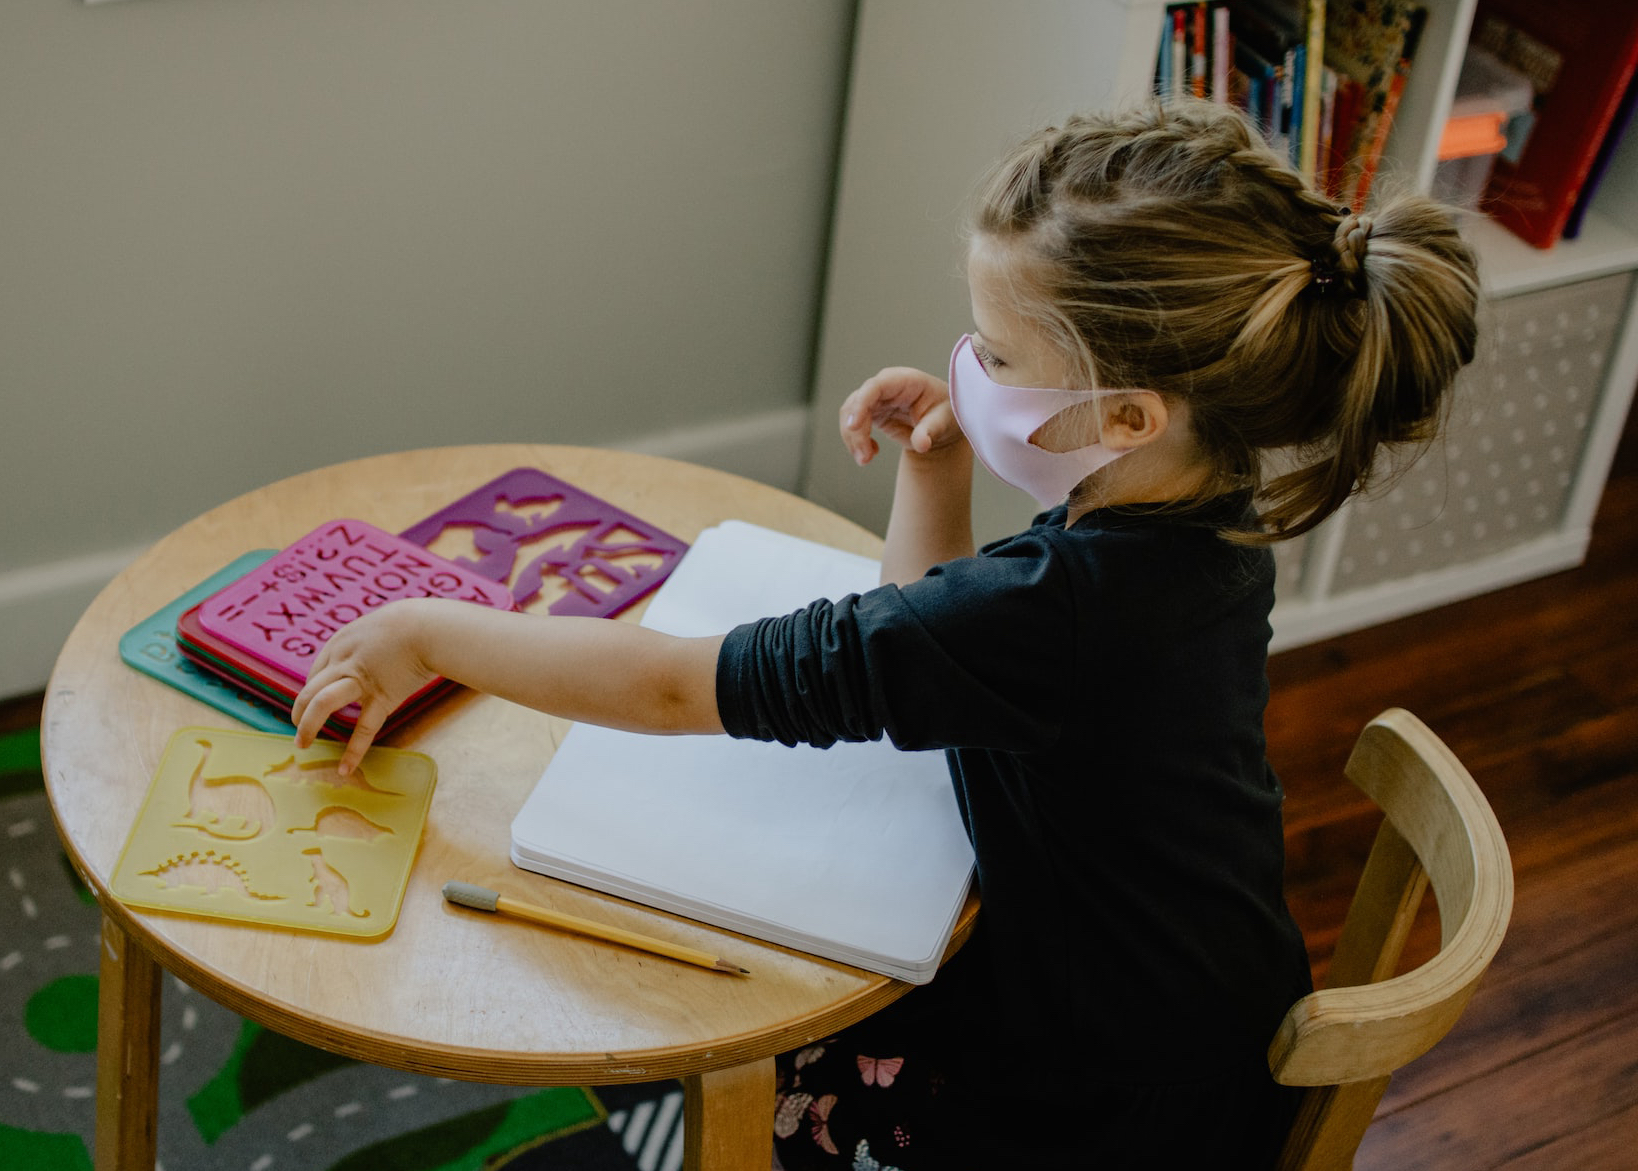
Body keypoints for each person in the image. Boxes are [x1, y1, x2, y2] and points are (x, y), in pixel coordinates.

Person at [292, 98, 1479, 1167]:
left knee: (723, 1057)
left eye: (999, 358)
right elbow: (936, 645)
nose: (968, 371)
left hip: (1092, 1108)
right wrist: (944, 461)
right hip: (1181, 1017)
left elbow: (668, 691)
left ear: (1124, 414)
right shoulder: (1204, 516)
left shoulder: (1058, 606)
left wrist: (434, 631)